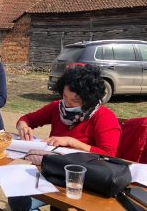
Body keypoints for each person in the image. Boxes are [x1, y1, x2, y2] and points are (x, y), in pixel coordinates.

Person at [9, 65, 121, 211]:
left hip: (82, 181)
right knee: (17, 196)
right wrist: (23, 126)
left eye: (74, 101)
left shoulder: (104, 117)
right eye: (65, 96)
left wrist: (72, 142)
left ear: (89, 100)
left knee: (59, 206)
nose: (67, 104)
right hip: (53, 171)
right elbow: (28, 119)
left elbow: (109, 155)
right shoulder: (58, 108)